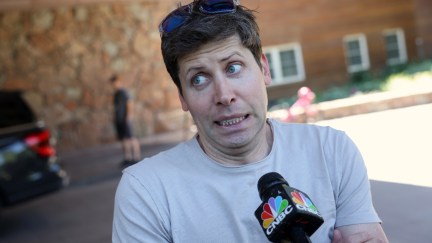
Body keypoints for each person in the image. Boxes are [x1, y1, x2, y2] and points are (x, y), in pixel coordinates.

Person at [112, 0, 389, 242]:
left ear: (264, 69)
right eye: (199, 78)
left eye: (233, 67)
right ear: (183, 98)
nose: (224, 95)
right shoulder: (146, 191)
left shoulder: (332, 151)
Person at [110, 74, 141, 167]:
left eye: (114, 83)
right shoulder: (116, 94)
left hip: (125, 119)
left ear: (119, 82)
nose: (114, 85)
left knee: (131, 137)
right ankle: (127, 158)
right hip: (119, 120)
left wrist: (129, 116)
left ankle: (136, 157)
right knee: (124, 139)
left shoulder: (124, 92)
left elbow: (129, 103)